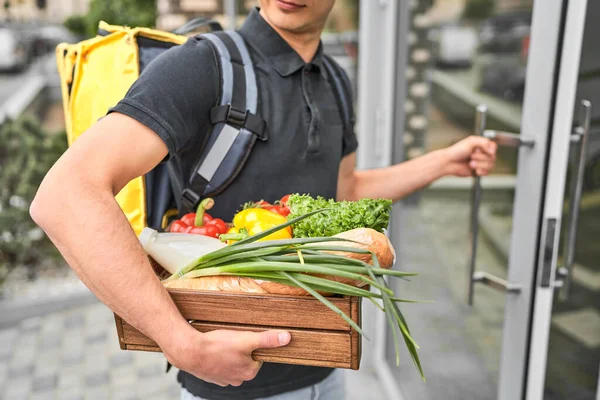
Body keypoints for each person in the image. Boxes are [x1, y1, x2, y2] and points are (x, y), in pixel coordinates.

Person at [31, 1, 497, 399]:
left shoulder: (334, 78)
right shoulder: (202, 66)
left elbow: (346, 192)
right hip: (231, 386)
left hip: (326, 373)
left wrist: (442, 163)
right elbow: (66, 194)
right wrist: (183, 346)